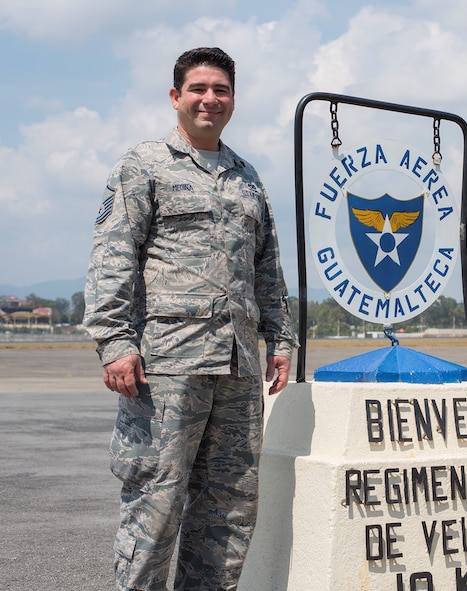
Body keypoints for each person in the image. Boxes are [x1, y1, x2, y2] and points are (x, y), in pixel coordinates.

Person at [83, 47, 297, 591]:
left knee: (229, 508)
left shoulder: (247, 178)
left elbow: (267, 265)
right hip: (167, 363)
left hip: (239, 364)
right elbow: (113, 257)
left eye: (221, 90)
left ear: (233, 101)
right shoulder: (144, 165)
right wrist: (114, 341)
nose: (210, 99)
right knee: (156, 503)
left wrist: (281, 338)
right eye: (199, 88)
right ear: (176, 97)